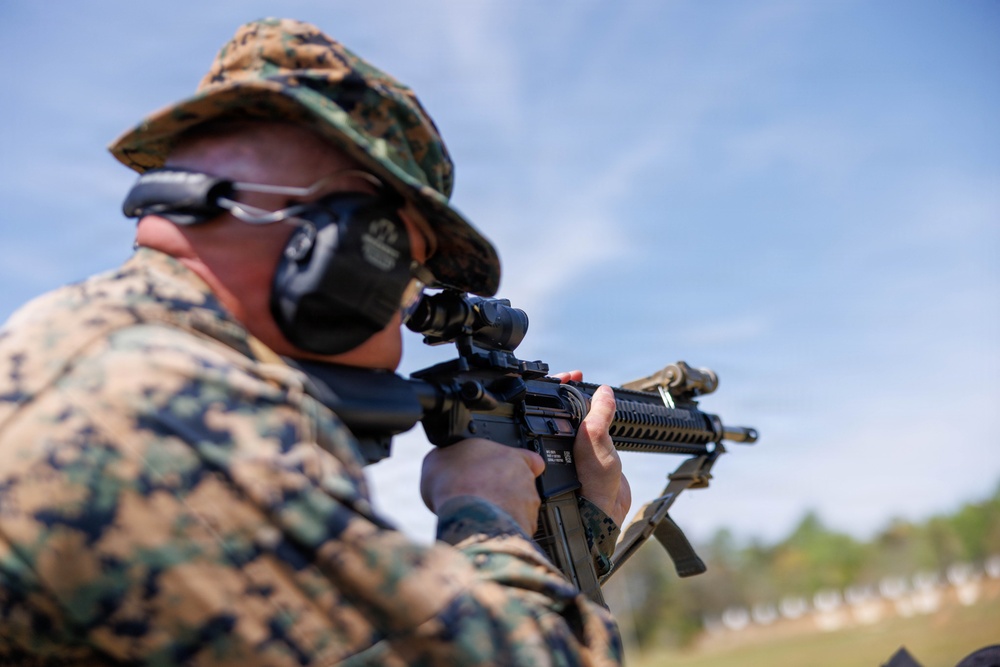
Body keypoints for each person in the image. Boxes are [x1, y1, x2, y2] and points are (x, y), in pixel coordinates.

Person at [0, 17, 630, 666]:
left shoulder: (102, 356)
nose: (400, 337)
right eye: (408, 279)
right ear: (349, 250)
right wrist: (487, 510)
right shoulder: (150, 412)